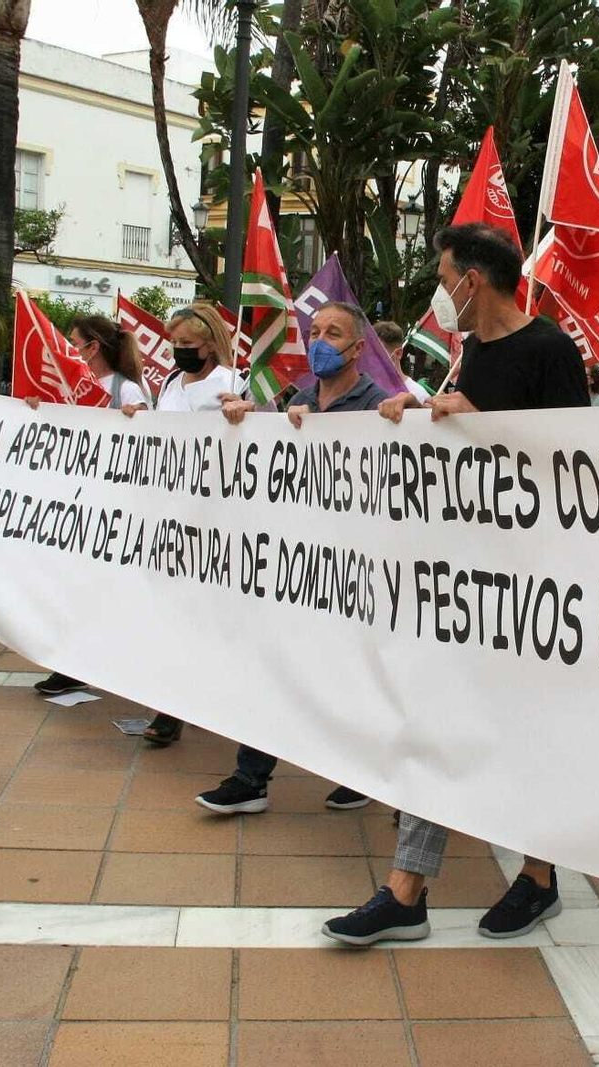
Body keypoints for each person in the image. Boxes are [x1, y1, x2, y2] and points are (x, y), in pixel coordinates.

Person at [323, 221, 588, 946]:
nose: (441, 293)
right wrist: (415, 415)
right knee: (436, 722)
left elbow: (578, 463)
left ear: (474, 278)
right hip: (466, 580)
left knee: (523, 734)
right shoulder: (470, 351)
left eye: (444, 278)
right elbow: (468, 451)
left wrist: (483, 419)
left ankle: (538, 876)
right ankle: (407, 890)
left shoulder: (550, 348)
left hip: (534, 586)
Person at [195, 301, 386, 815]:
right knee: (274, 668)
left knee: (349, 676)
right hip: (296, 568)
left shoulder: (378, 405)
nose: (321, 340)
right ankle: (250, 780)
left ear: (358, 348)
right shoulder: (298, 400)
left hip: (352, 572)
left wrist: (403, 415)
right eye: (315, 330)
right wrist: (245, 422)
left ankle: (362, 772)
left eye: (334, 332)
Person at [24, 315, 150, 697]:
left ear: (91, 347)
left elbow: (149, 440)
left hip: (109, 509)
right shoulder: (67, 387)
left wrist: (136, 420)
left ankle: (90, 662)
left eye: (73, 341)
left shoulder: (126, 391)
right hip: (72, 504)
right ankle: (71, 663)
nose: (67, 347)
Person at [140, 303, 238, 745]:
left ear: (210, 344)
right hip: (168, 513)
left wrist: (244, 414)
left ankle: (204, 699)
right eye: (174, 343)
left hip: (214, 518)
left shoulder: (232, 383)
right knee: (170, 613)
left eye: (187, 344)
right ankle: (171, 706)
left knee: (208, 617)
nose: (179, 351)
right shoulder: (169, 383)